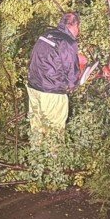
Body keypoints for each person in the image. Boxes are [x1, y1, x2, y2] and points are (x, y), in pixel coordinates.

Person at [26, 13, 83, 156]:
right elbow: (71, 75)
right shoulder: (68, 42)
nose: (79, 31)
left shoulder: (46, 35)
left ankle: (36, 159)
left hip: (33, 89)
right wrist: (77, 81)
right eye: (78, 27)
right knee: (55, 131)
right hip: (51, 93)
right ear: (74, 25)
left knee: (37, 128)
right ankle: (53, 165)